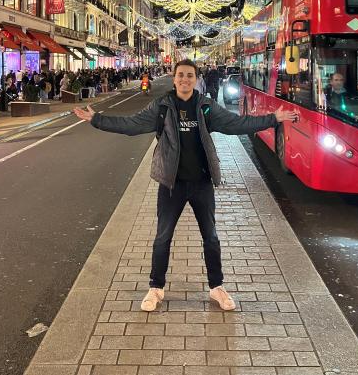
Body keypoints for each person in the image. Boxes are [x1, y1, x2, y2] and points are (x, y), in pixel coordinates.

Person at [74, 58, 297, 313]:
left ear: (196, 79)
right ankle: (156, 288)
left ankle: (217, 287)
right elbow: (131, 125)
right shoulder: (162, 107)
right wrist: (97, 120)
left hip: (201, 183)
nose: (184, 79)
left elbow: (236, 124)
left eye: (190, 75)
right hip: (172, 184)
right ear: (173, 77)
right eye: (180, 75)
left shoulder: (205, 106)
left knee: (211, 237)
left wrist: (273, 118)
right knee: (162, 238)